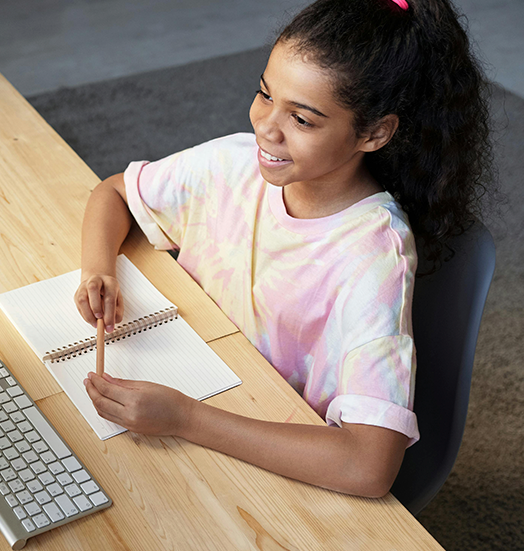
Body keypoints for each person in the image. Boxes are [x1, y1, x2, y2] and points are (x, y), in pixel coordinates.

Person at [74, 0, 493, 498]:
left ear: (375, 132)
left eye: (303, 120)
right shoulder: (233, 165)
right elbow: (115, 192)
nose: (266, 128)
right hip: (203, 391)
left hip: (270, 457)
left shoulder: (373, 258)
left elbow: (367, 466)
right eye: (264, 94)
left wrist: (186, 417)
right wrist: (98, 270)